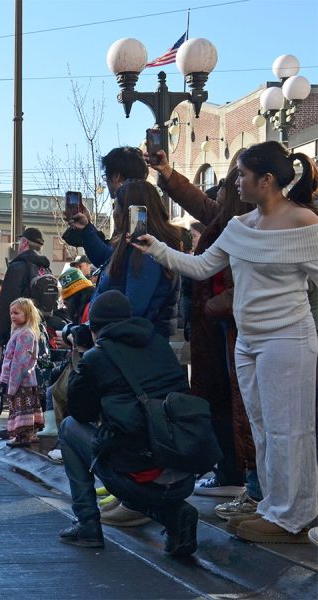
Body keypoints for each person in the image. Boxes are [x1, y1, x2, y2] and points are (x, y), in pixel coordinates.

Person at [132, 141, 318, 544]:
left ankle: (295, 515)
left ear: (266, 180)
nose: (235, 180)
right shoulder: (239, 226)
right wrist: (158, 249)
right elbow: (201, 267)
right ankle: (272, 507)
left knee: (291, 429)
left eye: (242, 174)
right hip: (248, 341)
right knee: (264, 428)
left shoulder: (304, 222)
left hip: (288, 339)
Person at [150, 151, 258, 514]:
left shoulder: (260, 222)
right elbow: (206, 216)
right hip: (223, 327)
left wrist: (217, 304)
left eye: (238, 178)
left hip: (244, 328)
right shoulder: (233, 218)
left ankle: (253, 486)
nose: (234, 186)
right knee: (228, 403)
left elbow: (245, 281)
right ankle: (240, 477)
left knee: (250, 408)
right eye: (233, 179)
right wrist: (168, 173)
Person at [58, 291, 198, 555]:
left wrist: (84, 352)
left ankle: (87, 523)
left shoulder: (98, 357)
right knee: (136, 452)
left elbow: (79, 412)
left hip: (138, 473)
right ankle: (174, 514)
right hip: (183, 471)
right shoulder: (159, 345)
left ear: (95, 327)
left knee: (68, 430)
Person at [67, 179, 183, 340]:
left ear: (127, 213)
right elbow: (105, 259)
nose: (113, 212)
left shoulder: (145, 253)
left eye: (116, 206)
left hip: (132, 350)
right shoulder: (132, 245)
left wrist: (87, 334)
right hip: (120, 343)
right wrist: (87, 229)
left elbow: (132, 309)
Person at [0, 227, 51, 347]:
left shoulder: (18, 266)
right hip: (39, 332)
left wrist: (0, 338)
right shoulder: (45, 268)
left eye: (21, 241)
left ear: (25, 242)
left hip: (18, 334)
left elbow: (7, 302)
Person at [0, 298, 44, 448]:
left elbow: (19, 363)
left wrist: (11, 385)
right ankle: (30, 434)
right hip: (23, 380)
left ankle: (23, 436)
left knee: (22, 409)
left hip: (21, 381)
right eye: (11, 313)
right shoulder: (21, 332)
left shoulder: (25, 334)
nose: (12, 316)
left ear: (27, 314)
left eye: (17, 313)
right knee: (26, 408)